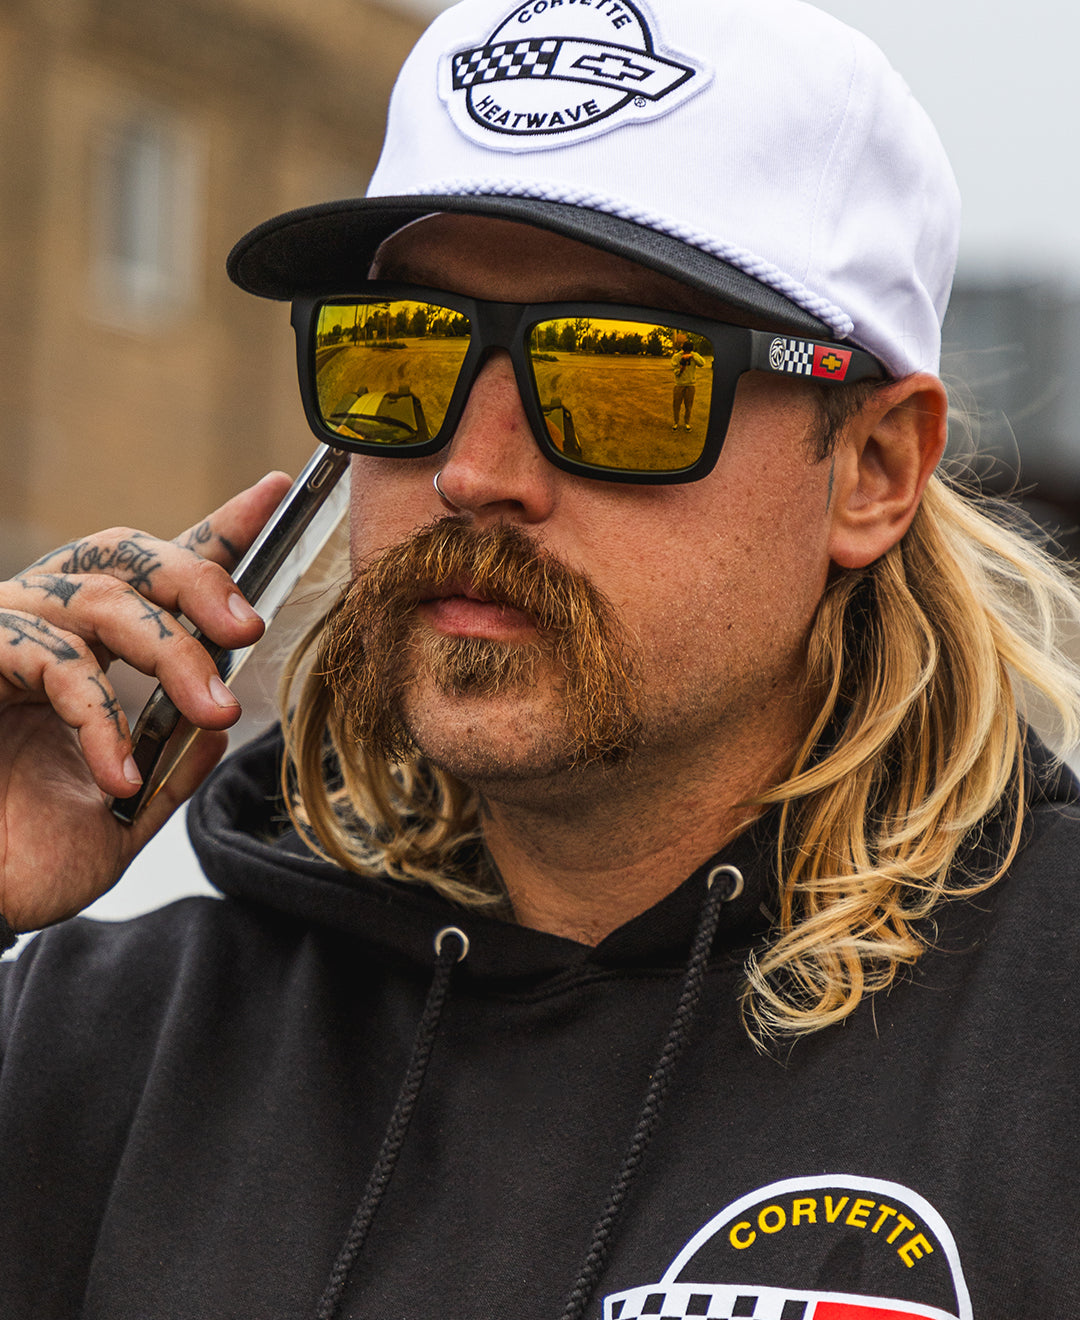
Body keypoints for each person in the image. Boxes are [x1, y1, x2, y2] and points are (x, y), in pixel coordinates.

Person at [2, 0, 1079, 1316]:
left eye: (621, 375)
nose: (472, 471)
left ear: (872, 468)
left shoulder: (1044, 1042)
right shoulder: (110, 1046)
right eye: (403, 352)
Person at [670, 334, 706, 430]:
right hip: (679, 385)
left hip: (690, 385)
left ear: (691, 350)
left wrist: (692, 356)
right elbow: (675, 370)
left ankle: (687, 423)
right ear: (682, 349)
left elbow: (702, 363)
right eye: (685, 351)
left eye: (689, 351)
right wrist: (681, 369)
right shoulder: (676, 356)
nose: (686, 353)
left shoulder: (693, 355)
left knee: (689, 406)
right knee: (676, 405)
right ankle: (676, 422)